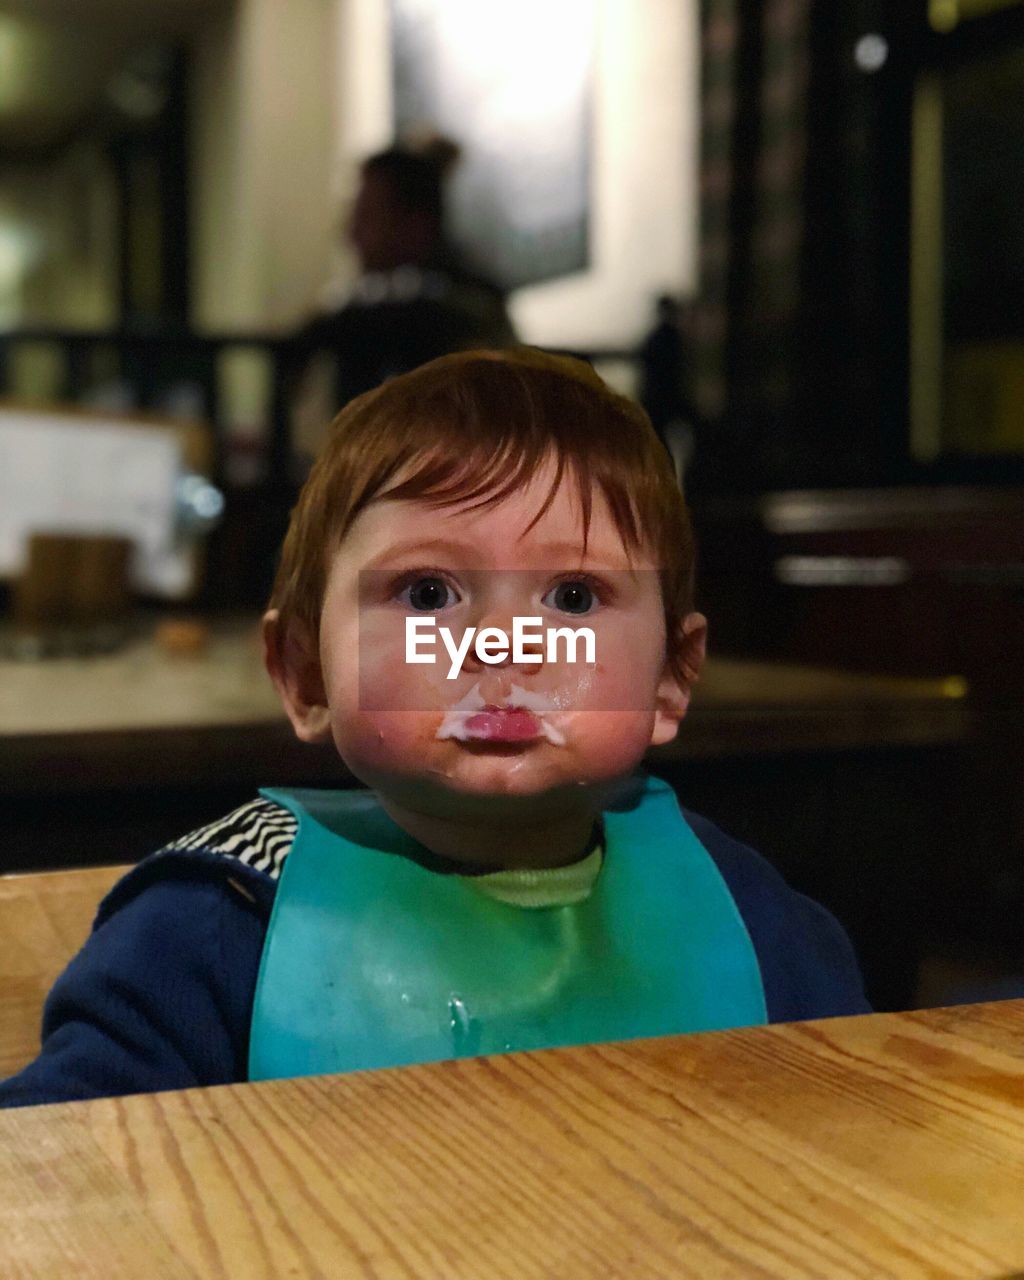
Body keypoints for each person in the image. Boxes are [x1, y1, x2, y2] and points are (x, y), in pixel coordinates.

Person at [0, 348, 868, 1108]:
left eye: (572, 597)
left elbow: (858, 1128)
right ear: (305, 674)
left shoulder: (744, 911)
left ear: (672, 680)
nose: (502, 645)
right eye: (426, 594)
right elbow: (69, 1180)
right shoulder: (218, 921)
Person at [291, 136, 516, 420]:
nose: (351, 234)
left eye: (367, 216)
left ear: (415, 225)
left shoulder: (464, 309)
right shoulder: (358, 307)